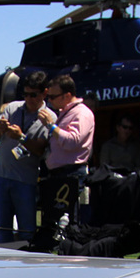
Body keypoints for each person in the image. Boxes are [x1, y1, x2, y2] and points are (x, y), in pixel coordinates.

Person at [0, 72, 52, 243]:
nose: (29, 99)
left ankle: (26, 262)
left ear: (44, 93)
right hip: (2, 176)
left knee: (26, 230)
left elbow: (40, 149)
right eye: (25, 94)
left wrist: (21, 137)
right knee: (2, 229)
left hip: (25, 180)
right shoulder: (12, 108)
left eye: (33, 95)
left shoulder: (48, 117)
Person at [40, 74, 95, 241]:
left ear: (67, 95)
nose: (50, 100)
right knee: (55, 218)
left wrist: (51, 126)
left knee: (68, 219)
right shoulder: (65, 113)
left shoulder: (82, 113)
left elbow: (73, 141)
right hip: (58, 174)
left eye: (53, 97)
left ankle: (72, 252)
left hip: (71, 174)